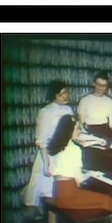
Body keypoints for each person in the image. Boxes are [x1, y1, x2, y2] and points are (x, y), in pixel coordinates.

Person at [47, 115, 112, 223]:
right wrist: (90, 174)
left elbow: (56, 170)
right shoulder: (74, 149)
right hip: (69, 195)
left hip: (57, 192)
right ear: (70, 130)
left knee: (97, 197)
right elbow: (79, 180)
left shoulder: (55, 146)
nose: (79, 131)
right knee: (108, 201)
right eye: (78, 128)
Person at [22, 80, 74, 210]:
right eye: (60, 94)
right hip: (49, 154)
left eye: (66, 92)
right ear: (53, 95)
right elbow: (42, 140)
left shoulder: (68, 109)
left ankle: (57, 222)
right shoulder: (46, 112)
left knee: (61, 192)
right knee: (48, 192)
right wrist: (46, 163)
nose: (65, 96)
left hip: (65, 153)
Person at [77, 71, 112, 141]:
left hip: (105, 129)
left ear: (106, 87)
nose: (100, 88)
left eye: (103, 86)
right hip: (90, 130)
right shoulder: (85, 100)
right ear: (94, 84)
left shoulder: (109, 101)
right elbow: (81, 122)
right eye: (98, 84)